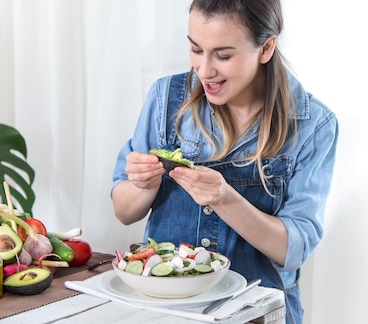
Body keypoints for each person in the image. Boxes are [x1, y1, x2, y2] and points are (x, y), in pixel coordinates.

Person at [111, 0, 338, 323]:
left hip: (256, 313)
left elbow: (293, 250)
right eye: (195, 49)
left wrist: (225, 198)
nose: (204, 70)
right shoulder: (165, 99)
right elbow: (123, 210)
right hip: (167, 312)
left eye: (223, 55)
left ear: (266, 47)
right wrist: (142, 185)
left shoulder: (312, 124)